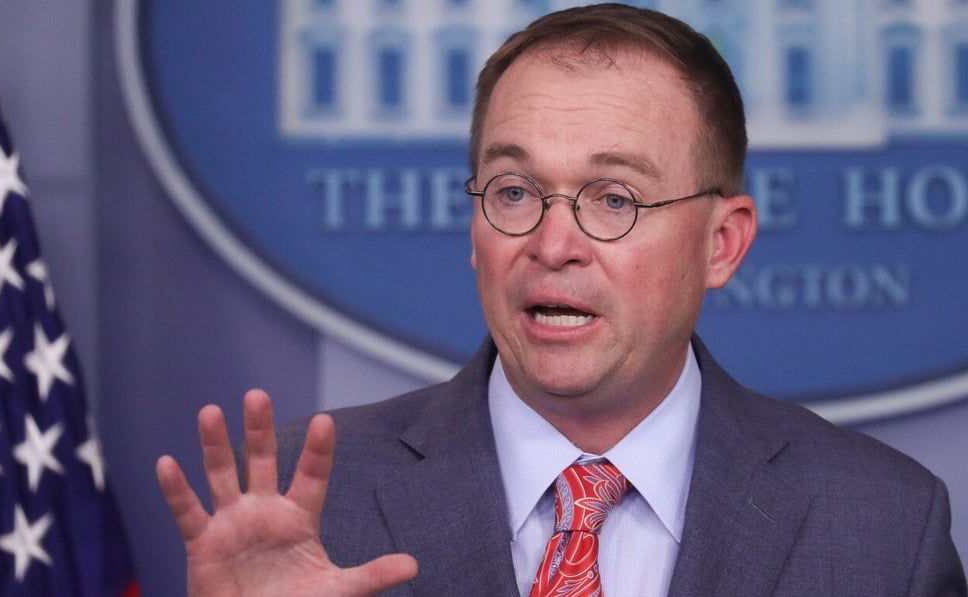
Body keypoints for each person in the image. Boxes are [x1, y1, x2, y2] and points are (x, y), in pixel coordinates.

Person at [155, 4, 967, 596]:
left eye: (614, 198)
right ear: (473, 226)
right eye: (514, 190)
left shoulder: (881, 526)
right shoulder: (308, 503)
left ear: (722, 242)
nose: (551, 243)